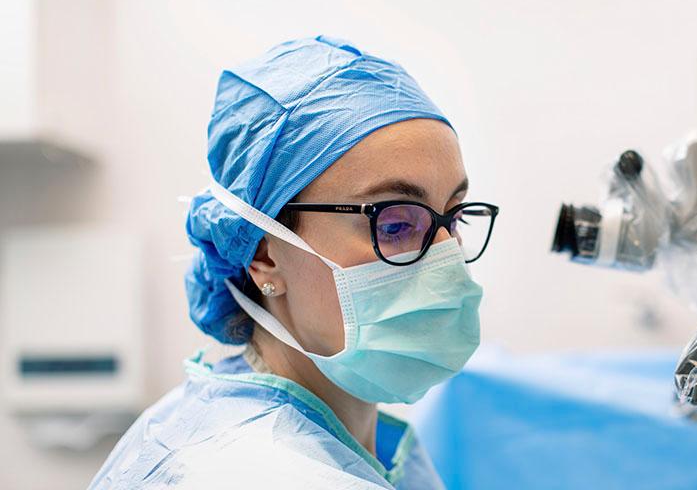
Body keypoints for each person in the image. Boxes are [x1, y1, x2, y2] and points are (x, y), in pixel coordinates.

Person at [90, 35, 498, 489]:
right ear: (265, 255)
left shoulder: (340, 443)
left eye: (454, 217)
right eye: (395, 224)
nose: (446, 259)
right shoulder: (245, 473)